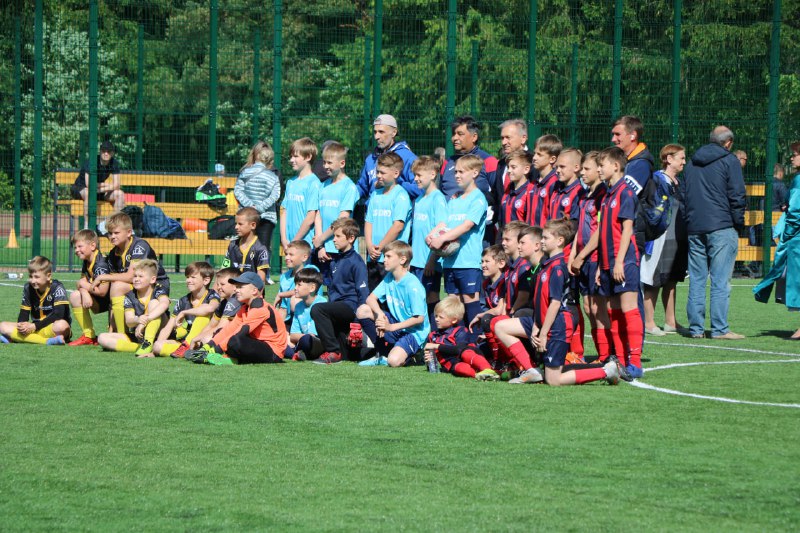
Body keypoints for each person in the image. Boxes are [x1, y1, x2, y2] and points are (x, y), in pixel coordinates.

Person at [496, 219, 629, 386]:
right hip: (544, 322)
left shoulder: (558, 268)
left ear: (559, 241)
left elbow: (555, 304)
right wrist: (536, 325)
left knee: (553, 380)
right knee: (501, 326)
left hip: (557, 325)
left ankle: (606, 371)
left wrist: (543, 333)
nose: (542, 241)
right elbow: (540, 302)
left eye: (546, 238)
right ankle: (532, 370)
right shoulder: (546, 265)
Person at [682, 126, 746, 340]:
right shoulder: (730, 161)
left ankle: (696, 328)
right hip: (721, 226)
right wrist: (738, 223)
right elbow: (737, 195)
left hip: (695, 227)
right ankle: (719, 329)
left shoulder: (691, 163)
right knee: (720, 280)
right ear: (728, 143)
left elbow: (684, 195)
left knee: (697, 279)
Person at [596, 146, 645, 378]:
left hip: (623, 261)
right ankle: (621, 360)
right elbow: (604, 232)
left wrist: (619, 262)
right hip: (607, 262)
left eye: (602, 165)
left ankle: (635, 362)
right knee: (613, 311)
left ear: (616, 166)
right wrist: (601, 265)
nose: (599, 169)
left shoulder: (625, 192)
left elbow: (627, 230)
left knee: (629, 309)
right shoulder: (607, 195)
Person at [427, 154, 487, 325]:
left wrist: (442, 239)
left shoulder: (478, 198)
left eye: (462, 172)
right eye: (456, 172)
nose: (457, 175)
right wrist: (432, 234)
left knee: (471, 305)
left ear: (474, 173)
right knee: (454, 308)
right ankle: (457, 339)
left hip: (468, 262)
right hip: (450, 262)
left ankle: (475, 339)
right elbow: (444, 223)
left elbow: (466, 226)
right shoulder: (454, 200)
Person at [92, 211, 170, 336]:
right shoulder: (113, 254)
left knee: (117, 286)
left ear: (129, 232)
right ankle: (117, 333)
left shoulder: (140, 246)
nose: (112, 236)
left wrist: (102, 277)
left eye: (116, 233)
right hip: (137, 286)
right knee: (113, 287)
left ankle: (122, 335)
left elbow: (130, 276)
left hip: (155, 286)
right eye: (110, 233)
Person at [185, 272, 286, 365]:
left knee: (236, 340)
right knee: (222, 332)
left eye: (240, 287)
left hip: (273, 353)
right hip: (255, 344)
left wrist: (214, 350)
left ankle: (222, 358)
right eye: (236, 287)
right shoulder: (244, 307)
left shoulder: (260, 308)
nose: (236, 290)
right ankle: (229, 360)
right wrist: (206, 347)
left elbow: (240, 333)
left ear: (254, 291)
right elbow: (229, 329)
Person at [356, 241, 430, 367]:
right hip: (396, 325)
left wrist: (391, 327)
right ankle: (382, 353)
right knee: (363, 310)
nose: (384, 260)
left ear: (402, 260)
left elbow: (419, 319)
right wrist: (380, 315)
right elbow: (370, 299)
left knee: (394, 361)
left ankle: (415, 354)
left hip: (414, 333)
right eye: (384, 256)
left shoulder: (413, 286)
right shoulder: (389, 277)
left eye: (388, 256)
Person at [640, 144, 688, 336]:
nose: (684, 162)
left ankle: (670, 321)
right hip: (659, 237)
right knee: (654, 278)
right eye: (681, 158)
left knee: (672, 278)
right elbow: (652, 209)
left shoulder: (678, 182)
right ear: (669, 159)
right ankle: (648, 322)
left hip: (676, 236)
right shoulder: (657, 179)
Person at [754, 143, 800, 339]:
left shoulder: (798, 180)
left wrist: (786, 235)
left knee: (797, 280)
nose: (792, 157)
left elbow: (795, 212)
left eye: (796, 154)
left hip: (797, 239)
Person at [569, 151, 612, 363]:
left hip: (594, 258)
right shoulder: (585, 194)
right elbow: (580, 229)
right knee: (588, 308)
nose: (582, 173)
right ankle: (601, 354)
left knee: (598, 308)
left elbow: (600, 230)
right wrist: (573, 255)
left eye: (587, 169)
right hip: (583, 259)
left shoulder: (603, 195)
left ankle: (607, 355)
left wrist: (583, 255)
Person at [310, 218, 370, 364]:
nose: (334, 240)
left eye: (338, 236)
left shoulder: (357, 262)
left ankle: (332, 351)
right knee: (348, 356)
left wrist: (357, 322)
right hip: (336, 308)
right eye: (333, 236)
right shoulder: (334, 260)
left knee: (317, 309)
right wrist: (319, 249)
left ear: (351, 238)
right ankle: (367, 352)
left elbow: (363, 292)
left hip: (349, 306)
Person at [97, 259, 170, 357]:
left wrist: (145, 321)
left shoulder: (158, 289)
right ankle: (140, 347)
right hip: (139, 335)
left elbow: (165, 304)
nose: (136, 279)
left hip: (160, 334)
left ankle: (149, 343)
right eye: (135, 276)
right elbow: (129, 321)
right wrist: (138, 320)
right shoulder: (130, 295)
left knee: (154, 303)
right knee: (102, 338)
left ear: (152, 279)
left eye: (141, 276)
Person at [234, 140, 281, 284]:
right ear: (270, 159)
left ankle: (242, 271)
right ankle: (263, 275)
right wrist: (260, 207)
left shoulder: (245, 172)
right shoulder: (273, 176)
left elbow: (237, 191)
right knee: (264, 246)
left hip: (246, 215)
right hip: (266, 216)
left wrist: (250, 207)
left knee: (244, 243)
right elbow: (276, 195)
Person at [364, 152, 412, 291]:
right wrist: (369, 245)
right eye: (377, 172)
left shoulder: (401, 196)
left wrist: (380, 247)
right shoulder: (375, 194)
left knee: (392, 296)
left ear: (396, 173)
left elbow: (398, 226)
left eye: (383, 173)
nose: (378, 175)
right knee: (372, 296)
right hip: (373, 257)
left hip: (392, 258)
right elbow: (368, 221)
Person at [313, 141, 358, 284]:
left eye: (330, 163)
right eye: (324, 162)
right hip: (323, 247)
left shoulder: (349, 187)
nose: (325, 166)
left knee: (341, 288)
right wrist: (320, 245)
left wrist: (321, 239)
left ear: (342, 163)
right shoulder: (323, 186)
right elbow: (318, 215)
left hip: (341, 248)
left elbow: (342, 219)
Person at [410, 156, 448, 326]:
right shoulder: (419, 199)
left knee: (431, 298)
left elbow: (441, 228)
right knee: (417, 300)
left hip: (429, 262)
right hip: (416, 261)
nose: (415, 179)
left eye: (419, 175)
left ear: (433, 174)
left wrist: (432, 259)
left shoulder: (437, 198)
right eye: (415, 175)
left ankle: (434, 334)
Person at [153, 262, 220, 357]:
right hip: (189, 339)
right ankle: (187, 350)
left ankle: (188, 348)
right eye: (187, 277)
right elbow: (168, 327)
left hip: (207, 339)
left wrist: (184, 312)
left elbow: (210, 308)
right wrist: (155, 350)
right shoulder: (183, 301)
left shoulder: (212, 295)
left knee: (202, 316)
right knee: (157, 346)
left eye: (193, 277)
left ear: (206, 280)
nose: (188, 280)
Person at [424, 296, 499, 380]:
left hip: (470, 356)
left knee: (466, 353)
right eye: (436, 316)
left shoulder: (460, 331)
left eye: (441, 317)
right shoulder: (433, 336)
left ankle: (487, 369)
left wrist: (436, 346)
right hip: (453, 365)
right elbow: (432, 363)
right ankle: (479, 375)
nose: (436, 319)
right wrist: (428, 361)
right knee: (459, 368)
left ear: (454, 320)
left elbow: (459, 349)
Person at [0, 256, 71, 346]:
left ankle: (19, 338)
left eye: (37, 277)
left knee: (62, 325)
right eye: (30, 276)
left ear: (48, 276)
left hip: (52, 327)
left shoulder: (57, 288)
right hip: (34, 328)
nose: (33, 281)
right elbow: (24, 313)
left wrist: (34, 326)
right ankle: (47, 341)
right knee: (2, 326)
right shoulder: (28, 288)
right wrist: (22, 326)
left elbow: (58, 315)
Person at [610, 115, 656, 254]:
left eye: (618, 134)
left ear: (633, 135)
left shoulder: (641, 164)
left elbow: (623, 196)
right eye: (613, 134)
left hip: (632, 232)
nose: (613, 139)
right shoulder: (628, 161)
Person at [356, 114, 420, 203]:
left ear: (394, 132)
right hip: (372, 210)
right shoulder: (371, 159)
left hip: (396, 210)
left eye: (381, 132)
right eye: (375, 132)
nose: (376, 137)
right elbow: (362, 187)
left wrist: (394, 183)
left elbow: (420, 189)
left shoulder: (407, 157)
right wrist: (346, 193)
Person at [68, 229, 111, 346]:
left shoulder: (100, 264)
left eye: (80, 246)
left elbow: (102, 291)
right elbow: (81, 282)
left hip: (113, 300)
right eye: (75, 248)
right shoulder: (87, 260)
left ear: (92, 246)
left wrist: (83, 286)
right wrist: (84, 292)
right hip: (102, 299)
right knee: (75, 296)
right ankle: (89, 336)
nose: (76, 250)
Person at [439, 115, 498, 200]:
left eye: (460, 134)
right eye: (453, 134)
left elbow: (498, 195)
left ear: (474, 137)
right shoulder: (447, 162)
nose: (455, 138)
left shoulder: (489, 161)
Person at [187, 267, 242, 352]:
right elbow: (211, 325)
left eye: (222, 284)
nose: (219, 287)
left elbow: (221, 327)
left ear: (235, 285)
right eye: (218, 284)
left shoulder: (234, 301)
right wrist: (197, 339)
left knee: (207, 339)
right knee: (205, 336)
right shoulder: (224, 302)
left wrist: (198, 339)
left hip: (245, 339)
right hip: (235, 335)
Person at [70, 140, 124, 225]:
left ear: (112, 153)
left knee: (120, 194)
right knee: (89, 193)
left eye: (108, 151)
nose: (106, 153)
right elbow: (89, 184)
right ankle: (87, 226)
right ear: (100, 151)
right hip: (80, 188)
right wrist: (106, 185)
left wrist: (100, 190)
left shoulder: (114, 163)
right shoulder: (92, 161)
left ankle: (117, 225)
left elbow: (117, 185)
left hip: (98, 191)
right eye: (103, 151)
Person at [280, 137, 321, 249]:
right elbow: (284, 211)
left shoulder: (314, 183)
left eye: (295, 156)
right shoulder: (290, 182)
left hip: (304, 245)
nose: (291, 160)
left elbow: (310, 218)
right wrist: (283, 238)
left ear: (308, 157)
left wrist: (295, 241)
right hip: (289, 244)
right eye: (291, 156)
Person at [287, 268, 327, 360]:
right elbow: (293, 335)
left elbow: (312, 336)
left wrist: (297, 338)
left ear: (312, 288)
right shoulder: (298, 306)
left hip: (318, 344)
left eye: (299, 285)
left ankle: (295, 353)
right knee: (281, 340)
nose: (295, 288)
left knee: (307, 340)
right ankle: (297, 354)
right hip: (303, 342)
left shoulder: (321, 304)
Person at [222, 207, 270, 284]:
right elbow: (223, 272)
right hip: (233, 290)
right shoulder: (232, 245)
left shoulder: (260, 249)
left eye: (240, 224)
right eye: (236, 223)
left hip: (252, 290)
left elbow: (261, 281)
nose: (236, 227)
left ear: (253, 225)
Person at [274, 240, 313, 325]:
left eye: (291, 255)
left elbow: (302, 292)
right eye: (286, 254)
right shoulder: (284, 277)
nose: (286, 258)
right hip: (290, 319)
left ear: (304, 257)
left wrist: (282, 294)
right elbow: (283, 308)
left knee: (294, 300)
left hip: (310, 318)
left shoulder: (311, 271)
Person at [527, 134, 562, 228]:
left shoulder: (555, 183)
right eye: (535, 153)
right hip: (530, 234)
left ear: (552, 159)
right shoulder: (533, 183)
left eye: (539, 155)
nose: (534, 158)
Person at [499, 150, 534, 230]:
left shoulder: (530, 192)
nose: (509, 170)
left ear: (526, 169)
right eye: (508, 167)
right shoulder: (508, 191)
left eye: (513, 167)